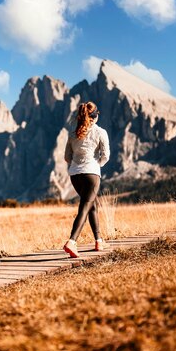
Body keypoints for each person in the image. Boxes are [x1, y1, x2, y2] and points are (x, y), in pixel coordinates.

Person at [63, 101, 111, 258]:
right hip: (91, 174)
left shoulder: (72, 134)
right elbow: (106, 155)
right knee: (85, 207)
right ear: (95, 116)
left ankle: (98, 240)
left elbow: (67, 157)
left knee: (92, 206)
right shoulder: (100, 132)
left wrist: (77, 164)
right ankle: (72, 241)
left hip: (75, 176)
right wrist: (96, 165)